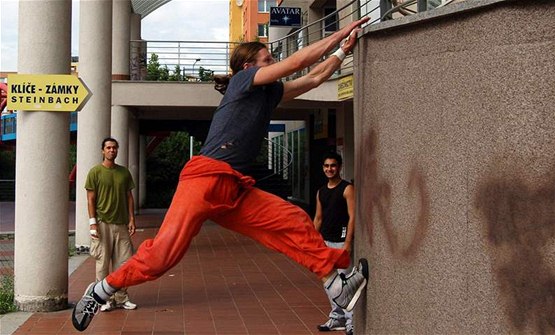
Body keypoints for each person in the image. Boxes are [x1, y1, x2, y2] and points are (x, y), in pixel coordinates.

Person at [72, 16, 371, 332]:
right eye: (267, 59)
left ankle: (336, 286)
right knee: (162, 257)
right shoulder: (242, 83)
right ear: (248, 68)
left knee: (294, 221)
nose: (274, 62)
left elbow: (312, 79)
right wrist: (340, 33)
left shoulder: (269, 93)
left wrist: (342, 52)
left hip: (235, 189)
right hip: (205, 179)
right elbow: (298, 61)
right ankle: (102, 290)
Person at [86, 137, 138, 312]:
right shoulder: (95, 172)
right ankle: (104, 299)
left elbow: (129, 197)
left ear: (117, 150)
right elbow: (90, 199)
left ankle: (122, 297)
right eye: (108, 148)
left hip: (121, 224)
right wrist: (92, 224)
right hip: (102, 224)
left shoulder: (124, 173)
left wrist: (131, 219)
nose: (111, 150)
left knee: (124, 263)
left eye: (114, 148)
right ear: (103, 151)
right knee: (102, 263)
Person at [314, 152, 355, 335]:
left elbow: (352, 216)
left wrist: (347, 242)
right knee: (329, 283)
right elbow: (318, 218)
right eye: (326, 166)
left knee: (344, 283)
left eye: (333, 165)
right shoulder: (321, 191)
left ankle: (350, 321)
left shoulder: (347, 189)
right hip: (325, 242)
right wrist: (312, 242)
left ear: (339, 167)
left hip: (341, 241)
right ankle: (336, 317)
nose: (329, 169)